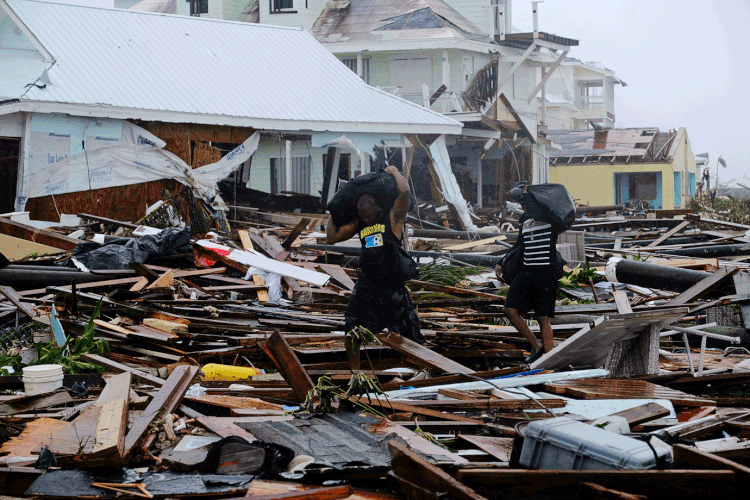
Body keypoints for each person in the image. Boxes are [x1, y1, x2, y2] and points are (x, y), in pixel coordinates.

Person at [326, 165, 423, 369]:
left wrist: (395, 173)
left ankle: (417, 368)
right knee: (352, 328)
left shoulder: (393, 217)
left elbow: (404, 192)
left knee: (410, 332)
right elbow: (332, 237)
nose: (366, 219)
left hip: (392, 286)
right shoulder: (359, 222)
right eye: (363, 216)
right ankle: (355, 371)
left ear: (377, 208)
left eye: (368, 214)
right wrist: (335, 208)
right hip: (367, 285)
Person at [496, 182, 561, 364]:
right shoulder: (524, 221)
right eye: (523, 205)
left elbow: (564, 214)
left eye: (527, 205)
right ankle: (536, 345)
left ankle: (548, 360)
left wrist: (532, 192)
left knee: (543, 317)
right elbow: (518, 245)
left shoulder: (550, 219)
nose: (525, 208)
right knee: (509, 310)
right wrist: (501, 262)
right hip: (526, 272)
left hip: (545, 274)